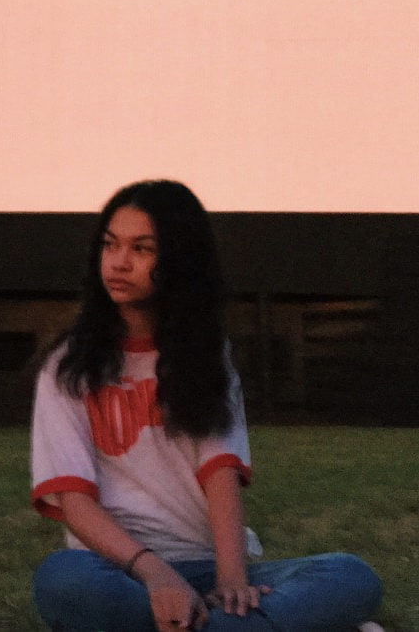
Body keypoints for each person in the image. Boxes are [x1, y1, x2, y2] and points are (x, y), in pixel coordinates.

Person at [30, 180, 383, 631]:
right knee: (60, 579)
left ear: (179, 259)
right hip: (119, 570)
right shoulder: (67, 366)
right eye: (110, 245)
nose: (118, 262)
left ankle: (204, 621)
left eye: (142, 249)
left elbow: (220, 473)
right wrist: (158, 577)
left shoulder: (205, 355)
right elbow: (75, 502)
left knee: (351, 576)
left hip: (204, 565)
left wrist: (232, 580)